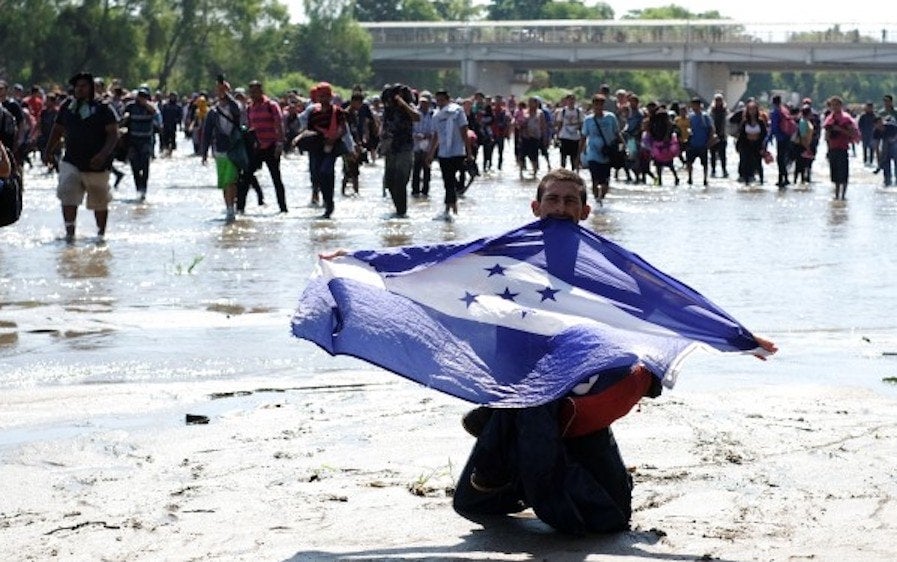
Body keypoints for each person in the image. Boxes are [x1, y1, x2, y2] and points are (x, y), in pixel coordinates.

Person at [451, 168, 779, 534]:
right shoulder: (507, 263)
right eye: (553, 200)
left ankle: (501, 435)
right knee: (472, 502)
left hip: (583, 396)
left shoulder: (606, 267)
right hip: (526, 390)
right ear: (535, 207)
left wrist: (735, 336)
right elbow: (443, 276)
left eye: (570, 201)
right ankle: (509, 439)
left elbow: (667, 305)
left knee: (612, 516)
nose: (561, 208)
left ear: (585, 211)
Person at [41, 71, 119, 243]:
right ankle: (70, 233)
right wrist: (48, 151)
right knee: (67, 193)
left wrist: (103, 154)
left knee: (99, 201)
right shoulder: (68, 106)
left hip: (97, 164)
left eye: (83, 86)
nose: (79, 89)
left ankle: (100, 235)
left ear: (91, 88)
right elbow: (57, 129)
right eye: (76, 86)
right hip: (71, 161)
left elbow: (113, 134)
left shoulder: (103, 108)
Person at [200, 78, 245, 223]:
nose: (221, 94)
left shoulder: (235, 107)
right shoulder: (212, 112)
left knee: (231, 180)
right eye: (219, 91)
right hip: (219, 151)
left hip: (234, 149)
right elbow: (206, 134)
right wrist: (204, 154)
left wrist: (226, 92)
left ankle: (231, 210)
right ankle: (229, 207)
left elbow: (236, 109)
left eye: (223, 91)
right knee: (225, 183)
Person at [426, 89, 471, 222]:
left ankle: (451, 206)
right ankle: (450, 208)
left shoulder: (458, 112)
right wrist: (430, 153)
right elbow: (436, 136)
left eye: (442, 100)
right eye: (437, 100)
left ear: (448, 99)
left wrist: (469, 152)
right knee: (448, 182)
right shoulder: (436, 115)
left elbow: (464, 131)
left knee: (452, 181)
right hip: (444, 153)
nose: (440, 103)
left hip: (457, 152)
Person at [245, 80, 288, 213]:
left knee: (276, 179)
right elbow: (249, 127)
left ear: (261, 90)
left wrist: (280, 144)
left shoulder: (271, 105)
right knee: (246, 177)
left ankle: (283, 209)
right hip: (256, 148)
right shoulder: (250, 107)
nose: (253, 94)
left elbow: (279, 124)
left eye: (255, 91)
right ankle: (240, 209)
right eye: (251, 91)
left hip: (271, 146)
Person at [379, 83, 420, 218]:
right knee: (390, 182)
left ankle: (402, 212)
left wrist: (403, 103)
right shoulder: (388, 109)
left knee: (401, 181)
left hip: (404, 148)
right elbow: (383, 127)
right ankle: (399, 210)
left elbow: (417, 117)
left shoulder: (408, 106)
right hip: (390, 149)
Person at [579, 93, 621, 205]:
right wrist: (579, 154)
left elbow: (617, 133)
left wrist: (623, 148)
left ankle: (601, 198)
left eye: (601, 104)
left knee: (605, 181)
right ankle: (596, 200)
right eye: (596, 104)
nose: (598, 107)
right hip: (593, 154)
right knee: (594, 179)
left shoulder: (610, 117)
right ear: (593, 105)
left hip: (608, 154)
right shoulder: (588, 120)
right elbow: (583, 137)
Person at [122, 86, 158, 202]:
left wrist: (145, 103)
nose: (141, 98)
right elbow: (124, 116)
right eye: (139, 96)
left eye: (144, 96)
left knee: (145, 167)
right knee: (135, 168)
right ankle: (138, 190)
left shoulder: (150, 107)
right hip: (133, 141)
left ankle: (144, 191)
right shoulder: (131, 106)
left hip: (146, 141)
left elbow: (154, 112)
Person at [822, 96, 859, 200]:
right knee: (835, 175)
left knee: (844, 174)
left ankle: (843, 196)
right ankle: (837, 195)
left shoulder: (846, 118)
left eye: (836, 105)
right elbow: (826, 135)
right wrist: (827, 149)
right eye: (832, 105)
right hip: (832, 149)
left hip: (842, 148)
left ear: (840, 105)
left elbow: (852, 133)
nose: (834, 107)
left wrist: (840, 129)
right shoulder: (829, 118)